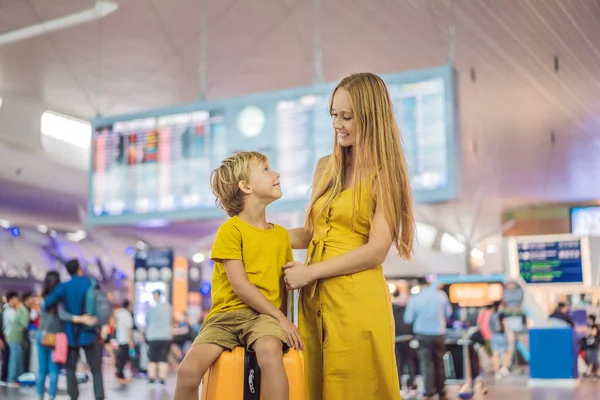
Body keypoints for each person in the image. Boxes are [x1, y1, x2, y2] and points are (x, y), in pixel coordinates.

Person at [284, 72, 414, 399]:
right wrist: (260, 236)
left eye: (347, 117)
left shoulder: (386, 172)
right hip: (314, 302)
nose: (337, 124)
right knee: (315, 386)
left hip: (357, 302)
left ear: (371, 118)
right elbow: (312, 233)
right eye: (333, 115)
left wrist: (309, 272)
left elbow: (377, 250)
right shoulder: (325, 166)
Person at [174, 151, 301, 400]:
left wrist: (280, 320)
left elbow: (283, 285)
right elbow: (240, 285)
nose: (276, 174)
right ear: (245, 186)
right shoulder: (230, 231)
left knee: (269, 352)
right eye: (265, 169)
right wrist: (281, 319)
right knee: (187, 372)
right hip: (226, 317)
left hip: (262, 316)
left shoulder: (280, 236)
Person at [43, 259, 104, 400]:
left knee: (70, 369)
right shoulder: (90, 283)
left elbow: (47, 304)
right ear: (79, 269)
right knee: (96, 369)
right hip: (89, 331)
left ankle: (74, 397)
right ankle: (99, 396)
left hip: (70, 334)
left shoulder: (63, 287)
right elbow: (101, 303)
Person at [404, 282, 452, 400]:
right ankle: (441, 390)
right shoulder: (441, 296)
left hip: (422, 335)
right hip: (438, 334)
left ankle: (429, 392)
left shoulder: (415, 298)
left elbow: (408, 318)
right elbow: (448, 313)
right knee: (440, 362)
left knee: (426, 363)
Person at [36, 271, 65, 400]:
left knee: (41, 370)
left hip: (41, 334)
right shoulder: (61, 301)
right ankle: (51, 396)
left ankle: (39, 396)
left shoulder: (42, 299)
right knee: (53, 370)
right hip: (55, 337)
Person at [144, 290, 172, 385]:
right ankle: (162, 379)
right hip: (165, 336)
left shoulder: (151, 309)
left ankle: (151, 378)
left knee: (152, 358)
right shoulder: (168, 307)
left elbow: (147, 320)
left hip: (153, 336)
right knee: (163, 357)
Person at [6, 292, 35, 386]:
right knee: (15, 361)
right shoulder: (23, 310)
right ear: (27, 299)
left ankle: (15, 379)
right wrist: (31, 327)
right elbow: (24, 326)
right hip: (15, 339)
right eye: (32, 298)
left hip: (17, 339)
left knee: (17, 361)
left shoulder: (24, 309)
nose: (33, 300)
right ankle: (11, 380)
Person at [489, 301, 513, 379]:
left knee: (495, 354)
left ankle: (497, 372)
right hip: (501, 335)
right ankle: (504, 367)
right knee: (508, 351)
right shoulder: (501, 314)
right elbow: (505, 325)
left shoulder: (492, 314)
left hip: (493, 336)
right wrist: (509, 335)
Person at [0, 291, 19, 385]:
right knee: (8, 358)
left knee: (7, 358)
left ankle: (5, 378)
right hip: (8, 337)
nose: (17, 300)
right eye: (16, 298)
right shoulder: (8, 311)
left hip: (7, 337)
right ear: (11, 299)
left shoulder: (7, 309)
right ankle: (5, 378)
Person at [114, 300, 134, 381]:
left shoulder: (119, 313)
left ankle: (119, 372)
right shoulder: (127, 314)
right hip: (125, 338)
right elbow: (128, 328)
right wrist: (130, 340)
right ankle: (120, 374)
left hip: (119, 337)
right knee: (124, 357)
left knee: (120, 356)